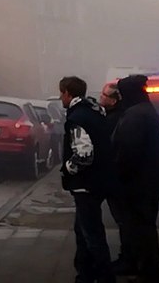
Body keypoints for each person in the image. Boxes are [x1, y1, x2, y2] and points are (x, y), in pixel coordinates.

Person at [59, 75, 116, 283]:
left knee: (92, 234)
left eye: (61, 93)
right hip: (99, 181)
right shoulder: (94, 113)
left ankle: (103, 276)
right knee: (83, 230)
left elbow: (84, 155)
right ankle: (85, 272)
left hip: (86, 184)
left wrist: (66, 169)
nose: (60, 98)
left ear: (67, 93)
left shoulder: (77, 118)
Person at [113, 74, 159, 282]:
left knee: (141, 229)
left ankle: (149, 272)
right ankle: (143, 266)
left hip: (138, 184)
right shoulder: (145, 110)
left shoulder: (135, 115)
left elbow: (128, 151)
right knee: (144, 227)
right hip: (148, 182)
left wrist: (118, 175)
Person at [98, 82, 130, 272]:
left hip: (118, 180)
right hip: (118, 179)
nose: (101, 97)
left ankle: (128, 259)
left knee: (124, 221)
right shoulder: (116, 116)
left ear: (113, 100)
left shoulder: (114, 119)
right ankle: (128, 257)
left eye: (104, 95)